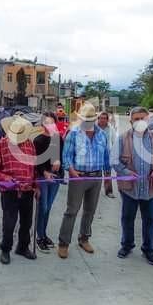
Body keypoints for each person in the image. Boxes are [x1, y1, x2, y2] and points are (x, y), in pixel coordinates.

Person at [111, 106, 153, 266]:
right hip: (130, 189)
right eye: (136, 119)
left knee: (151, 221)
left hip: (150, 189)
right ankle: (127, 245)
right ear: (131, 121)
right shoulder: (122, 139)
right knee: (127, 219)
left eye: (143, 118)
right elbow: (114, 160)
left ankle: (149, 250)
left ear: (148, 120)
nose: (140, 121)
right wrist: (126, 171)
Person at [57, 104, 110, 258]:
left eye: (91, 119)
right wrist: (71, 170)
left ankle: (84, 238)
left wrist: (107, 174)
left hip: (96, 177)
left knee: (90, 210)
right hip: (78, 176)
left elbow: (105, 155)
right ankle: (63, 243)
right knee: (72, 210)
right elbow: (66, 156)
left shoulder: (101, 135)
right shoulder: (73, 134)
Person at [0, 115, 39, 264]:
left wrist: (36, 186)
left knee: (26, 222)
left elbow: (34, 168)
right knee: (9, 223)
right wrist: (6, 179)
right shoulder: (1, 145)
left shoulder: (29, 145)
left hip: (28, 190)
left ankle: (23, 247)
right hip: (10, 192)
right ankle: (5, 249)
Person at [33, 112, 64, 252]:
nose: (49, 125)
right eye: (46, 122)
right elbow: (36, 161)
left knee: (48, 208)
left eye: (52, 122)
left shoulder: (58, 139)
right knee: (43, 207)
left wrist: (59, 163)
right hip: (42, 178)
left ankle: (44, 234)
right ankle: (39, 237)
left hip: (55, 177)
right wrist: (44, 172)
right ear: (42, 124)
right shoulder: (38, 140)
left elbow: (61, 157)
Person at [96, 111, 117, 199]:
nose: (103, 120)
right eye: (101, 118)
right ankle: (94, 192)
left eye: (105, 118)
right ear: (98, 119)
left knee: (107, 173)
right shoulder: (94, 128)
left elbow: (114, 141)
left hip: (107, 154)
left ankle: (109, 191)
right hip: (96, 154)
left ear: (107, 120)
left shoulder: (111, 128)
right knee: (96, 173)